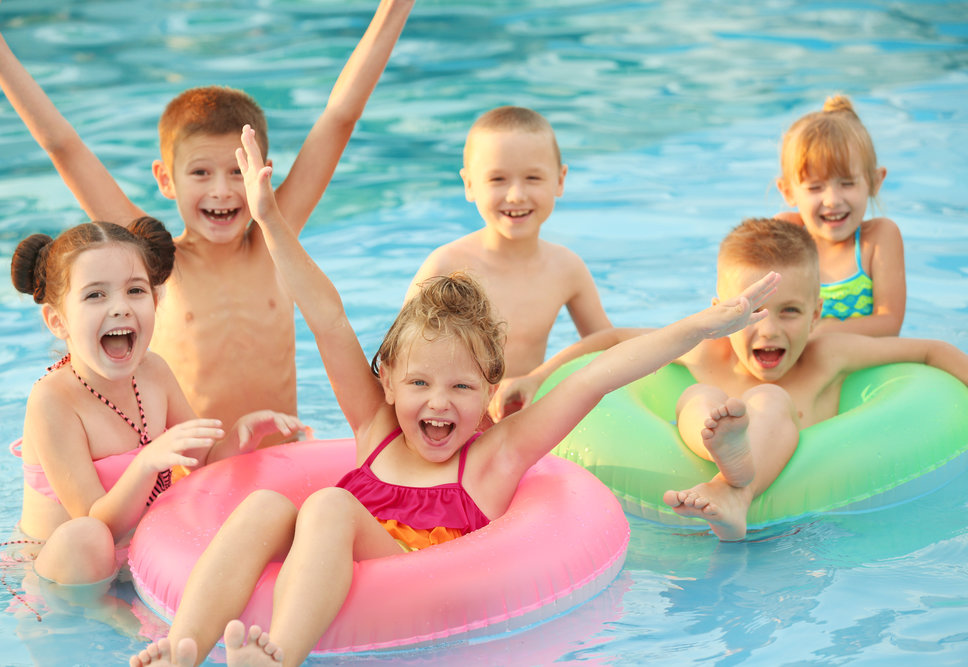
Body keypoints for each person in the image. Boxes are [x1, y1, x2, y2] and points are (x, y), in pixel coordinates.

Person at [126, 126, 779, 667]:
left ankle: (282, 656)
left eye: (462, 387)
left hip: (424, 597)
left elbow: (596, 374)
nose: (437, 404)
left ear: (490, 390)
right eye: (418, 384)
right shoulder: (375, 427)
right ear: (387, 381)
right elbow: (325, 313)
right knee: (267, 503)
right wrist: (268, 218)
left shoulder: (495, 458)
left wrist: (703, 324)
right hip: (338, 553)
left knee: (324, 505)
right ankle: (184, 647)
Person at [0, 0, 414, 442]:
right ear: (166, 180)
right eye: (201, 172)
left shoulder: (274, 239)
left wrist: (395, 7)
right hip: (195, 478)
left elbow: (339, 118)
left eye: (238, 171)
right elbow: (65, 147)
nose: (221, 189)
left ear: (263, 172)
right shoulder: (153, 263)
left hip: (283, 461)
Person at [492, 218, 968, 541]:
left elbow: (932, 351)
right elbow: (612, 339)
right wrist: (538, 376)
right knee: (698, 396)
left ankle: (736, 481)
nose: (769, 329)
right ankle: (729, 461)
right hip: (714, 522)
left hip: (805, 526)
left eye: (791, 312)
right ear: (721, 311)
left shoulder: (829, 354)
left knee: (769, 400)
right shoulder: (703, 350)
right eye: (750, 311)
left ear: (817, 314)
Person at [10, 218, 305, 586]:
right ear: (58, 321)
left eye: (135, 290)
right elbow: (99, 525)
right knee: (83, 536)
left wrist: (240, 438)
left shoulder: (154, 372)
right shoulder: (52, 400)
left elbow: (203, 461)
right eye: (95, 295)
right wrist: (148, 461)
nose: (120, 307)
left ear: (156, 299)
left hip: (143, 557)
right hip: (64, 576)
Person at [405, 106, 611, 416]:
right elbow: (402, 359)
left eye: (532, 178)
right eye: (498, 179)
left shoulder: (567, 268)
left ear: (560, 179)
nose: (515, 195)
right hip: (455, 421)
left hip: (524, 418)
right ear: (470, 184)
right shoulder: (446, 266)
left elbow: (606, 347)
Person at [775, 94, 905, 336]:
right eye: (815, 187)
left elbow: (889, 323)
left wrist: (823, 332)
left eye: (847, 183)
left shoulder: (877, 240)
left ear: (875, 182)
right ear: (788, 191)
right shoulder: (786, 235)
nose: (833, 200)